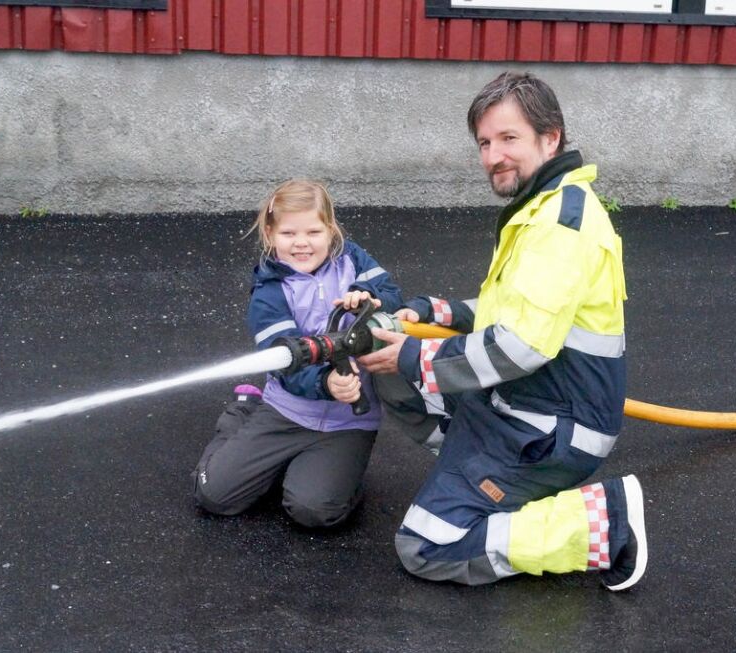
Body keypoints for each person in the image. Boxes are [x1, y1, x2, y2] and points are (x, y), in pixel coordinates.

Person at [358, 72, 646, 589]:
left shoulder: (561, 226)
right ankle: (472, 464)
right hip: (519, 405)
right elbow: (509, 311)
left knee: (425, 546)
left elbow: (519, 345)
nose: (493, 156)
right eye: (485, 143)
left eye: (508, 138)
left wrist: (411, 354)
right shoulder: (541, 206)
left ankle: (603, 523)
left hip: (551, 430)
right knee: (395, 374)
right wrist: (436, 312)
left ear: (550, 137)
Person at [192, 179, 403, 527]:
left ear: (330, 230)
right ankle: (241, 414)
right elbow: (285, 359)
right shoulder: (269, 292)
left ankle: (325, 475)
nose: (302, 243)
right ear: (270, 234)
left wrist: (369, 296)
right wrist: (327, 384)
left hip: (348, 421)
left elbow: (394, 296)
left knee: (317, 511)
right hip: (286, 411)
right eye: (289, 233)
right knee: (215, 496)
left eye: (313, 232)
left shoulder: (353, 258)